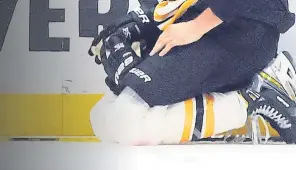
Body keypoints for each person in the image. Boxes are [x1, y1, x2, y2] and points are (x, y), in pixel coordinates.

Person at [88, 0, 296, 145]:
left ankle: (252, 94)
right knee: (102, 117)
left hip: (242, 30)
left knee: (128, 123)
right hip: (205, 19)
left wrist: (196, 27)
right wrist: (149, 16)